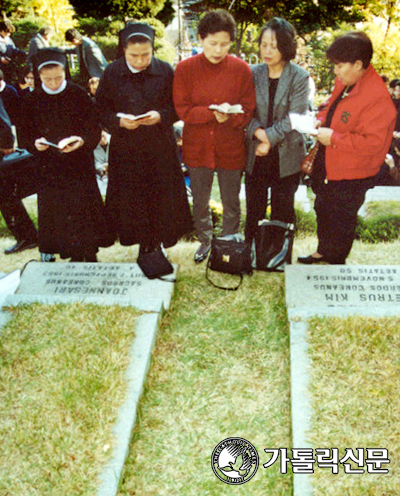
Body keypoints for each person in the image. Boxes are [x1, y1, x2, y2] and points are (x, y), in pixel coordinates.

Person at [298, 32, 397, 265]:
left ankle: (335, 262)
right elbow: (329, 107)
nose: (336, 71)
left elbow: (373, 143)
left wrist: (334, 138)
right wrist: (321, 119)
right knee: (322, 207)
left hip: (353, 172)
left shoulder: (378, 99)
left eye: (340, 66)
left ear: (358, 64)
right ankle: (322, 251)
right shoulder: (346, 82)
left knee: (342, 217)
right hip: (329, 163)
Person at [95, 23, 192, 260]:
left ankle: (157, 244)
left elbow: (178, 107)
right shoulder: (111, 72)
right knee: (132, 198)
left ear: (153, 50)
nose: (140, 61)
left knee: (160, 195)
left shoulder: (166, 71)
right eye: (133, 56)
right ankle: (142, 244)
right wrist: (118, 121)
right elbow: (100, 109)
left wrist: (161, 116)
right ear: (124, 51)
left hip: (159, 147)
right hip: (126, 148)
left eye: (146, 55)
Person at [173, 9, 256, 262]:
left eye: (224, 44)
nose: (218, 50)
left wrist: (231, 117)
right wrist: (211, 114)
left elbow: (248, 109)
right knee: (200, 199)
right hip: (198, 146)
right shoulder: (185, 68)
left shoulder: (242, 69)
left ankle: (228, 243)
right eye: (212, 44)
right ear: (200, 39)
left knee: (231, 200)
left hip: (230, 145)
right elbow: (183, 109)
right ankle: (205, 241)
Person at [19, 48, 112, 262]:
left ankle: (88, 253)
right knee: (57, 212)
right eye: (47, 79)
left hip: (78, 165)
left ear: (65, 73)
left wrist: (81, 141)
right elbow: (24, 135)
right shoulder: (31, 100)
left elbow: (93, 128)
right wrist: (35, 144)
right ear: (38, 76)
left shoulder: (77, 94)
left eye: (58, 78)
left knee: (83, 210)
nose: (53, 83)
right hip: (49, 167)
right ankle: (67, 252)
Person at [245, 17, 309, 246]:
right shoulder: (252, 73)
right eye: (263, 44)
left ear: (285, 46)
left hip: (287, 153)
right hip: (257, 153)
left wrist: (268, 139)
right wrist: (260, 136)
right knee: (254, 208)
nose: (267, 50)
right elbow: (244, 112)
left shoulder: (299, 76)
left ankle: (277, 256)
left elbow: (295, 117)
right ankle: (251, 252)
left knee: (283, 209)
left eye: (274, 45)